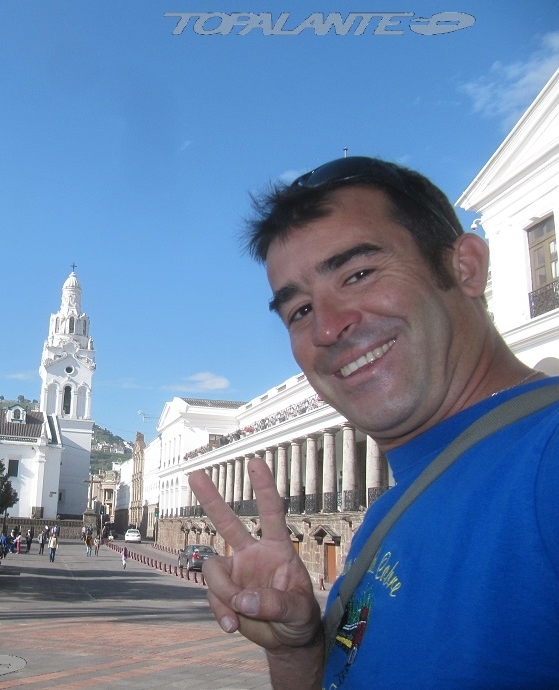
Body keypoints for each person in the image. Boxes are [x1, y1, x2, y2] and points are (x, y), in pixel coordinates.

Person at [188, 156, 559, 690]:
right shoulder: (385, 519)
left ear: (466, 268)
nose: (330, 328)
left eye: (358, 274)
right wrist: (298, 650)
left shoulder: (544, 462)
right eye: (300, 311)